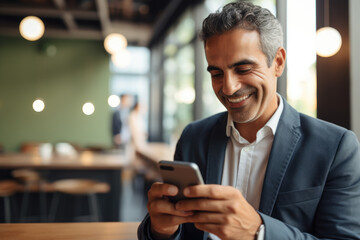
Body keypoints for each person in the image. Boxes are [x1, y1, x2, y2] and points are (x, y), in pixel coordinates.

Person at [138, 1, 360, 239]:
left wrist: (259, 232)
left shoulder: (337, 147)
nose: (229, 87)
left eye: (243, 69)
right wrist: (161, 230)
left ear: (278, 62)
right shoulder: (193, 138)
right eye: (216, 73)